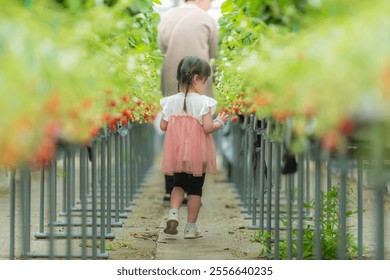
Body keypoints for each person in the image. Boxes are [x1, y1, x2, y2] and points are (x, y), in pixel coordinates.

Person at [159, 56, 229, 238]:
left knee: (178, 184)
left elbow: (163, 126)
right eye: (205, 81)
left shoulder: (170, 101)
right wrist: (220, 122)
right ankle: (191, 228)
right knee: (196, 190)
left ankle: (173, 212)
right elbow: (207, 128)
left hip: (178, 154)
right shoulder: (203, 102)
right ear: (196, 78)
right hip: (198, 155)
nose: (205, 85)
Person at [157, 0, 218, 202]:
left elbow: (162, 46)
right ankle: (193, 180)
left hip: (172, 77)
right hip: (198, 79)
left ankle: (171, 185)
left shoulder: (167, 18)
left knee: (175, 126)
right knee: (196, 128)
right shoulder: (208, 20)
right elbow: (214, 53)